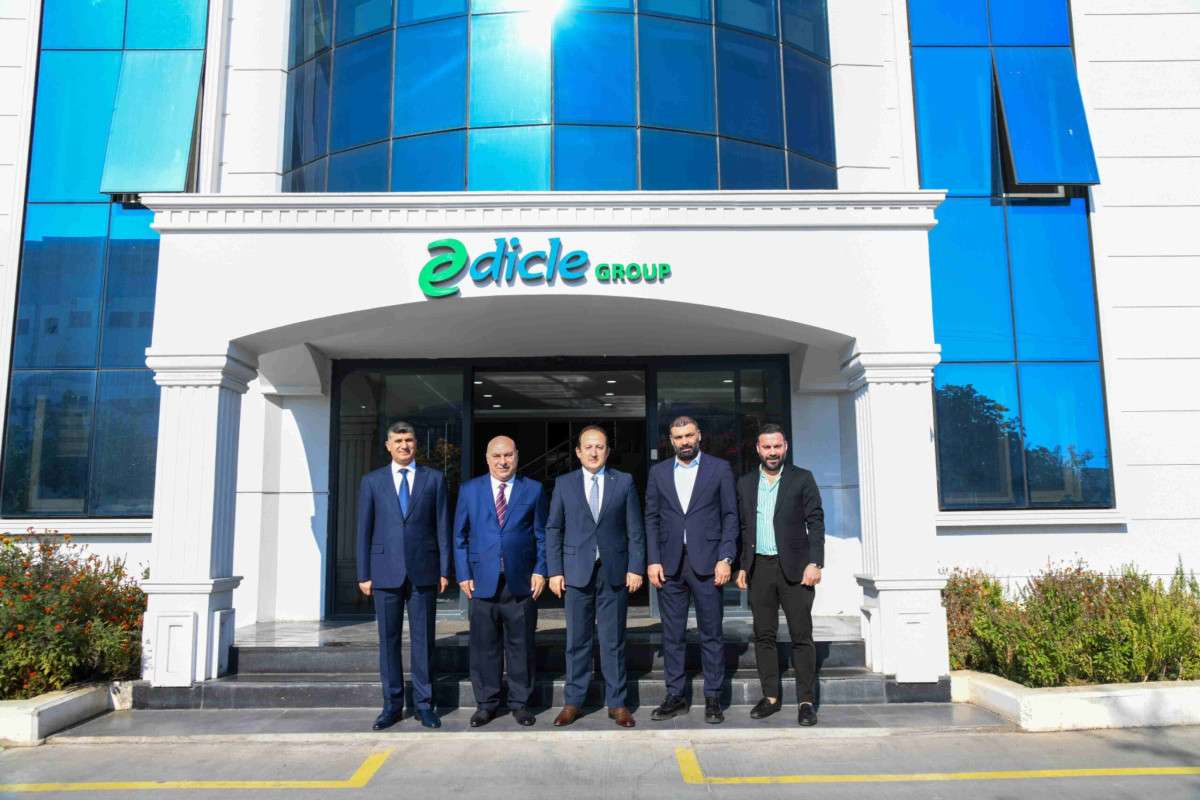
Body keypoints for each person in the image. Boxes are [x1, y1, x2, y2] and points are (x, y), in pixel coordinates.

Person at [546, 425, 646, 728]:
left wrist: (636, 567)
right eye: (588, 447)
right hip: (576, 573)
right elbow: (554, 529)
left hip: (614, 572)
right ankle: (573, 702)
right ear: (578, 452)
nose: (593, 452)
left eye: (599, 447)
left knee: (613, 640)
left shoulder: (624, 482)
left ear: (607, 451)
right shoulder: (564, 483)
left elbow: (635, 529)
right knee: (576, 641)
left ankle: (617, 703)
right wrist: (555, 571)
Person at [356, 421, 450, 730]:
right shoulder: (372, 481)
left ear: (416, 443)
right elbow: (363, 530)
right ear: (388, 446)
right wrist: (363, 573)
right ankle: (392, 706)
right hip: (384, 572)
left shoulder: (434, 479)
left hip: (424, 571)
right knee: (389, 641)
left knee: (423, 641)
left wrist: (444, 569)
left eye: (408, 440)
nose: (404, 445)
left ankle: (424, 705)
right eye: (398, 441)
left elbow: (442, 526)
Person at [644, 416, 738, 724]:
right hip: (670, 564)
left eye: (688, 435)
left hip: (709, 563)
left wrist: (726, 557)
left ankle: (713, 697)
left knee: (711, 633)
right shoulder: (658, 472)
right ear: (671, 441)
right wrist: (653, 560)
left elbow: (730, 515)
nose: (684, 441)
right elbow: (651, 518)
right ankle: (675, 696)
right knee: (672, 635)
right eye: (678, 437)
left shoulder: (719, 469)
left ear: (699, 436)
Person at [453, 435, 547, 727]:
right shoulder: (469, 490)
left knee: (521, 646)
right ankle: (486, 704)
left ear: (517, 456)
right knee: (484, 647)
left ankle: (520, 703)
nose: (503, 461)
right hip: (481, 582)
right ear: (487, 458)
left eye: (508, 455)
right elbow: (459, 536)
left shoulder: (534, 489)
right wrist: (463, 573)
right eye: (497, 456)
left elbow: (542, 535)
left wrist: (540, 570)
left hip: (522, 582)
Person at [735, 423, 825, 727]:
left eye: (777, 446)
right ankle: (771, 697)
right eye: (766, 447)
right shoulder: (745, 483)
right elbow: (743, 528)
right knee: (764, 635)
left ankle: (806, 701)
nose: (772, 452)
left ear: (785, 447)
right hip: (759, 568)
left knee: (801, 635)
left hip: (797, 570)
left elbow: (816, 522)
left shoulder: (802, 478)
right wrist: (742, 565)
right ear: (758, 449)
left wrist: (815, 563)